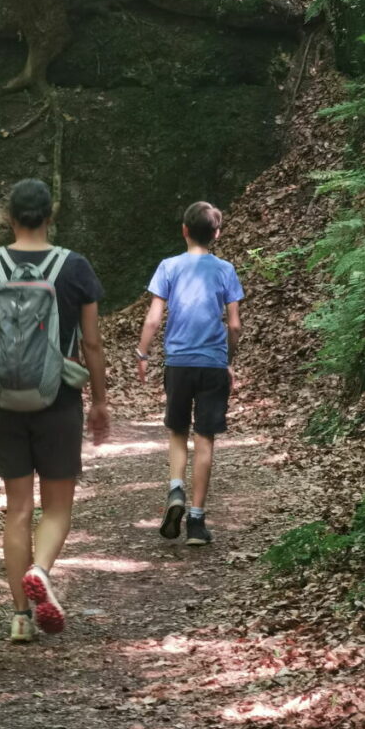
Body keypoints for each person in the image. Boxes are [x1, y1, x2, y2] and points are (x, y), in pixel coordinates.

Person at [0, 179, 110, 643]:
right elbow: (93, 343)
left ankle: (20, 617)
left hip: (2, 399)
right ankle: (40, 571)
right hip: (57, 398)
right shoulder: (74, 267)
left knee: (17, 509)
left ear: (10, 218)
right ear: (50, 216)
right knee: (57, 508)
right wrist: (99, 400)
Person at [136, 201, 243, 546]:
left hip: (178, 363)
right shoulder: (225, 269)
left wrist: (143, 353)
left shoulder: (168, 267)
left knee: (178, 430)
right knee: (206, 438)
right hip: (212, 362)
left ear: (184, 230)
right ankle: (196, 522)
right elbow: (235, 324)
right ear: (217, 234)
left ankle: (175, 490)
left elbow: (154, 318)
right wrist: (229, 359)